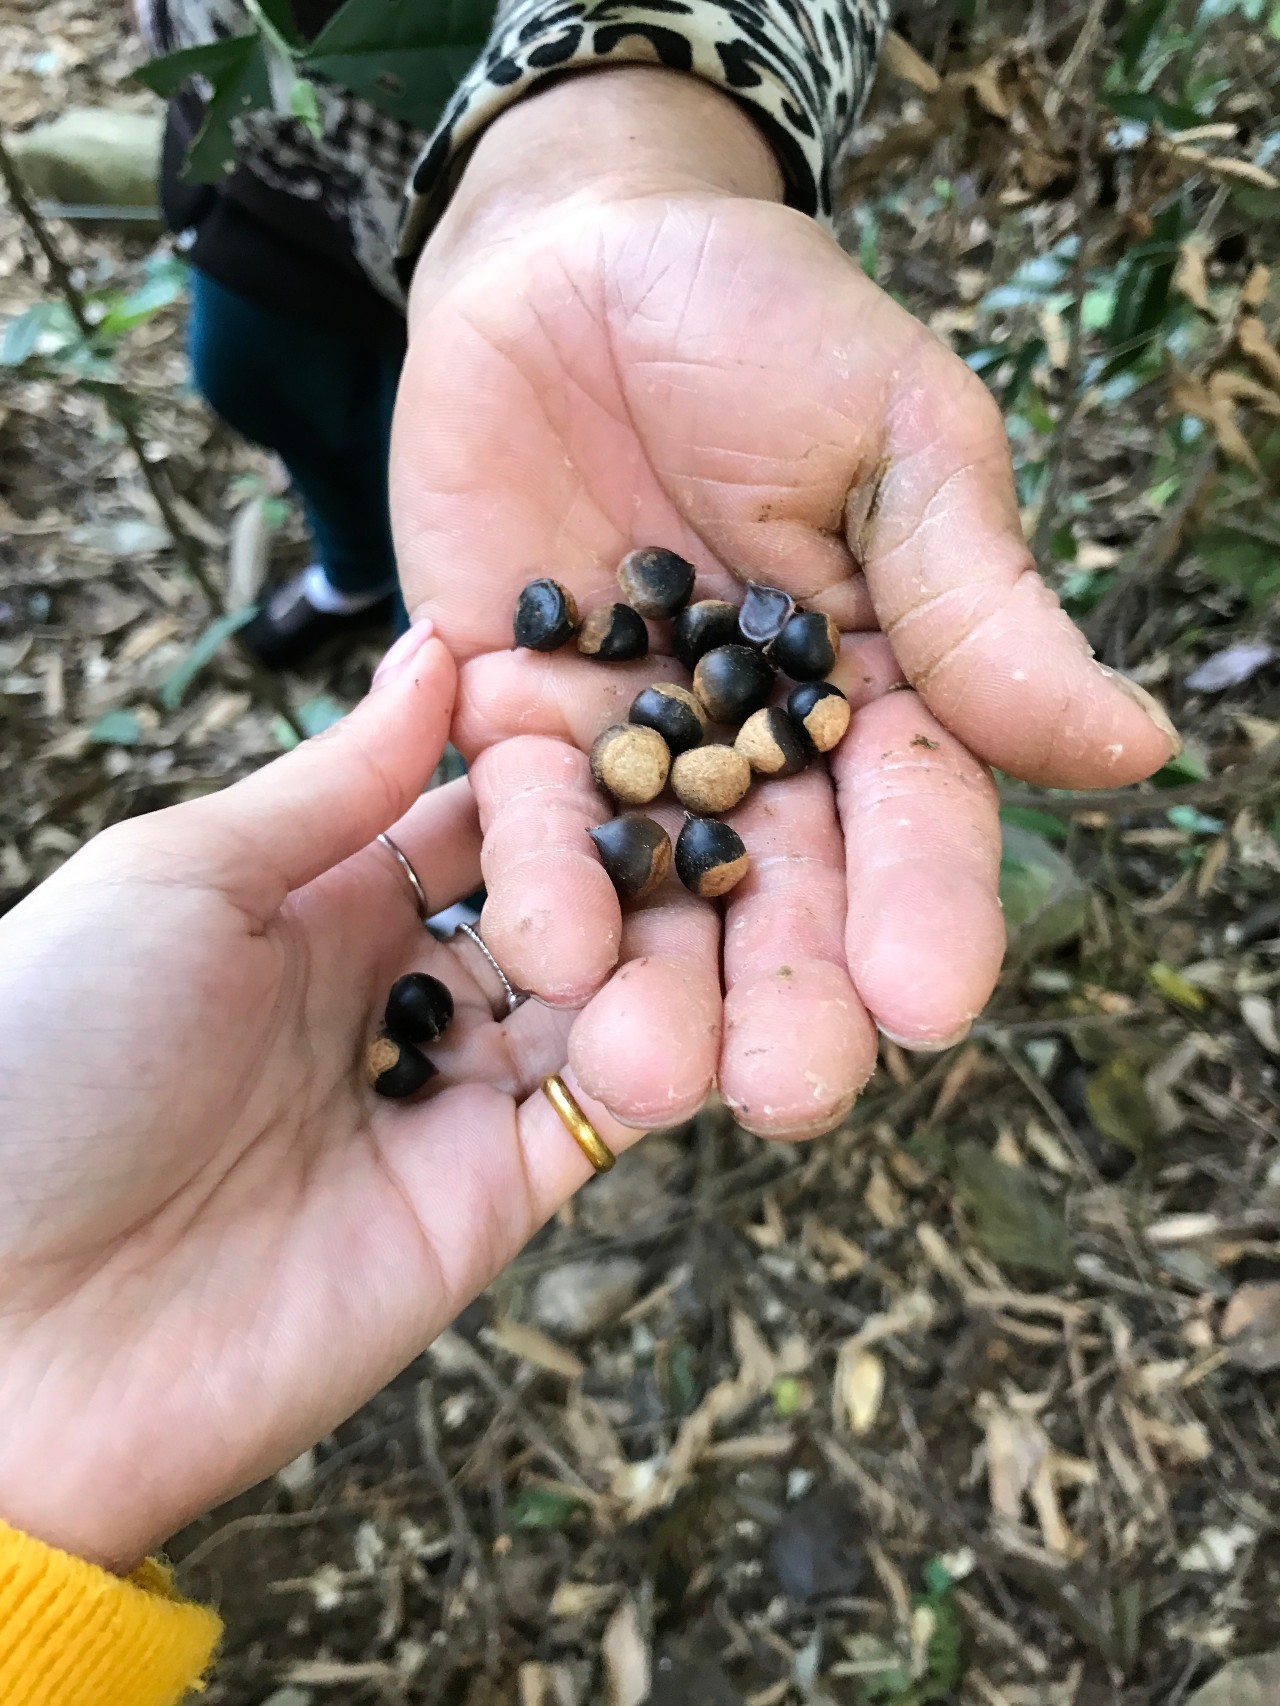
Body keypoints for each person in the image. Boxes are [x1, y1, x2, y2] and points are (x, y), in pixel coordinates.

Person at [1, 1, 1182, 1697]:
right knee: (251, 357)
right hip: (263, 179)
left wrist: (612, 132)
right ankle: (352, 560)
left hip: (515, 186)